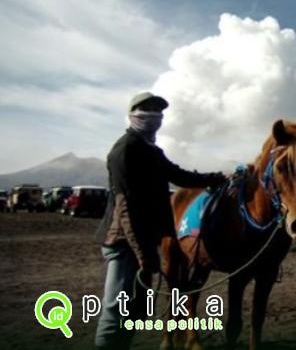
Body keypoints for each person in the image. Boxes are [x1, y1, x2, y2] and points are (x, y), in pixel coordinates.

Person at [94, 91, 226, 350]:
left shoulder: (151, 151)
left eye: (158, 111)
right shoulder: (124, 150)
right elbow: (124, 208)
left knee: (134, 310)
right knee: (116, 309)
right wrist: (142, 253)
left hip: (143, 241)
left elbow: (179, 175)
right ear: (132, 115)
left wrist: (216, 178)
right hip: (124, 242)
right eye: (147, 110)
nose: (154, 116)